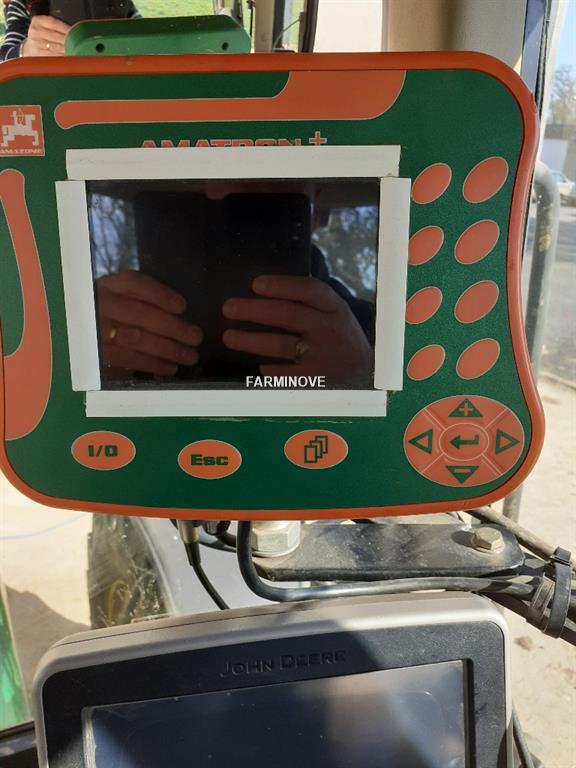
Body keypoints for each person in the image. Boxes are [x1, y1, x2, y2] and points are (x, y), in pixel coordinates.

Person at [0, 0, 139, 60]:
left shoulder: (119, 4)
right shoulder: (25, 5)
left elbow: (146, 41)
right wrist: (26, 50)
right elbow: (4, 59)